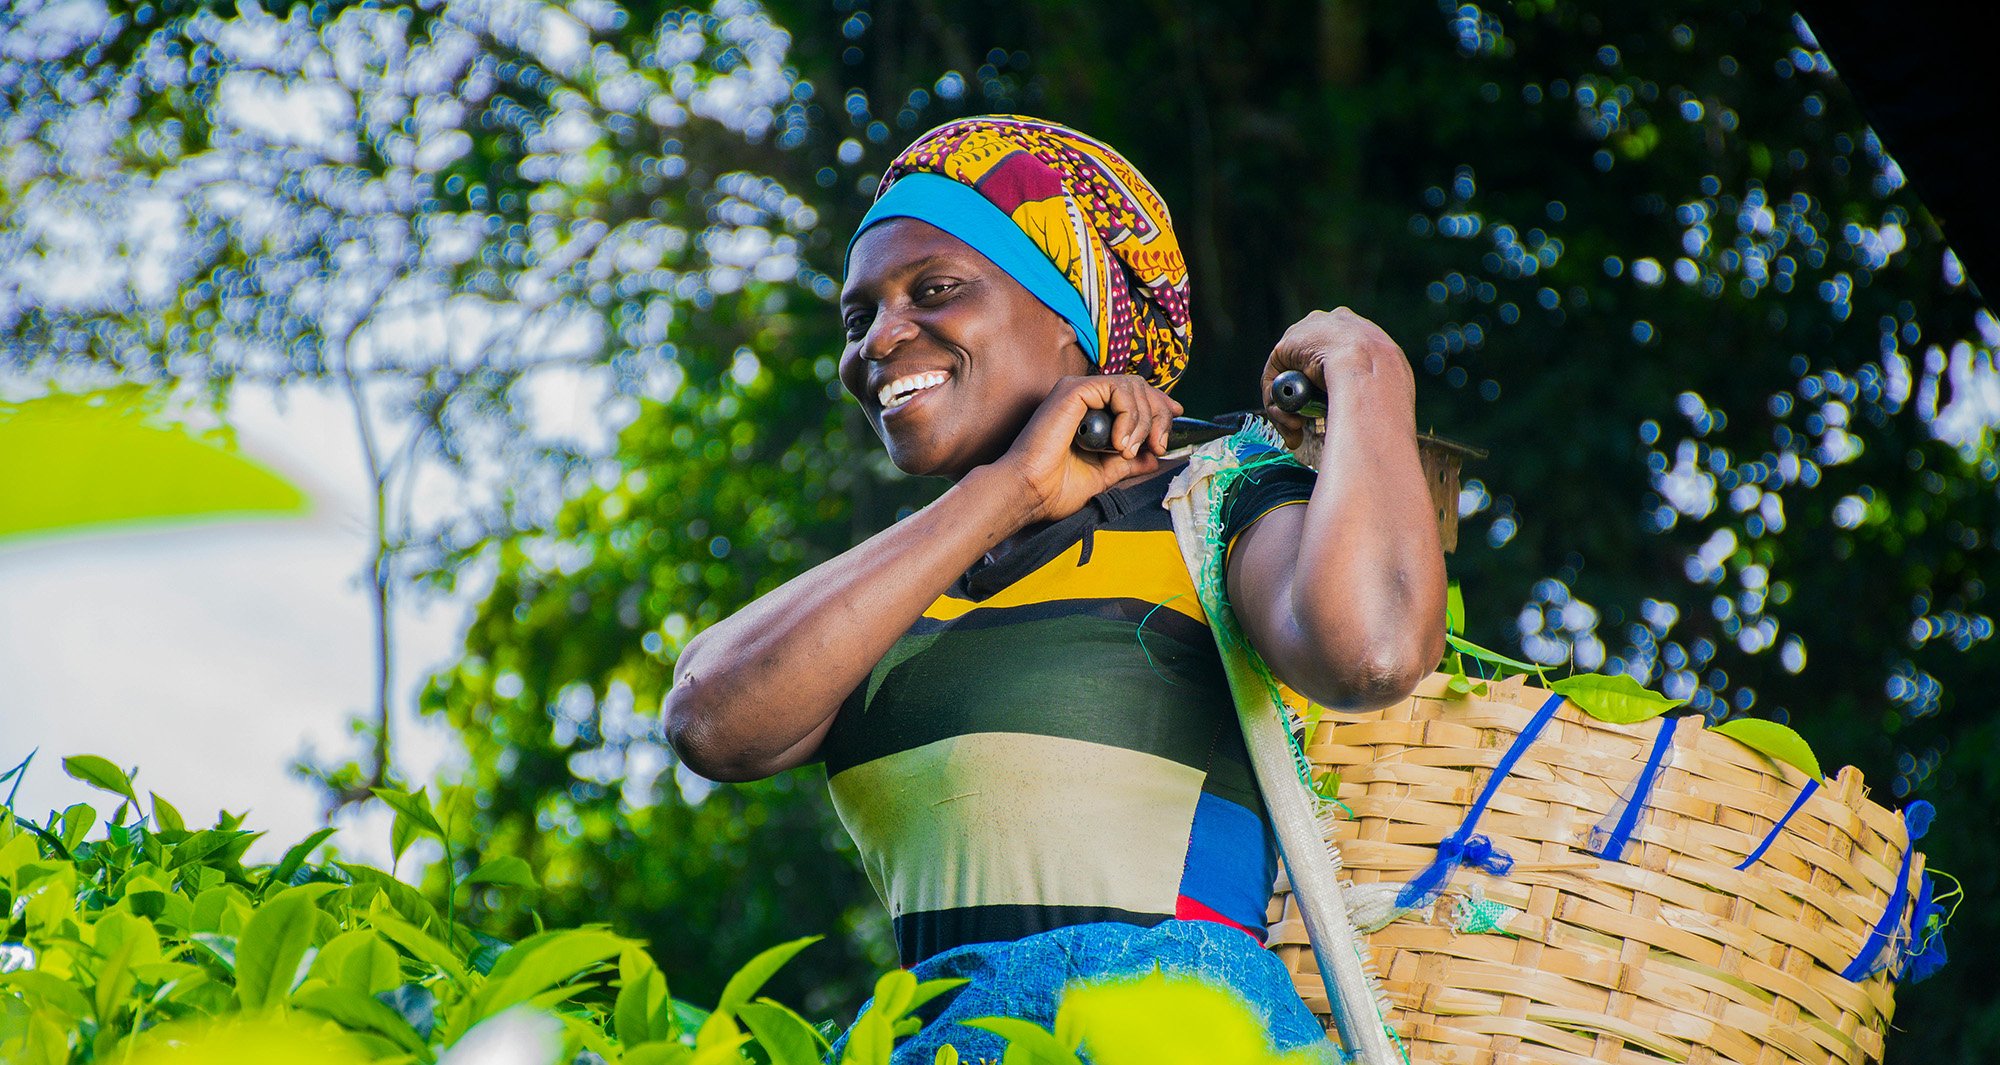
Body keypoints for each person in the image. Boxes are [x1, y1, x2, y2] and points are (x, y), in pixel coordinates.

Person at [664, 115, 1445, 1061]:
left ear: (1066, 316)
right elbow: (710, 718)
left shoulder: (1209, 505)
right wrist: (1010, 493)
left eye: (935, 290)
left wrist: (1369, 369)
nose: (880, 339)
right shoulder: (897, 589)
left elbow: (1372, 651)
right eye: (858, 316)